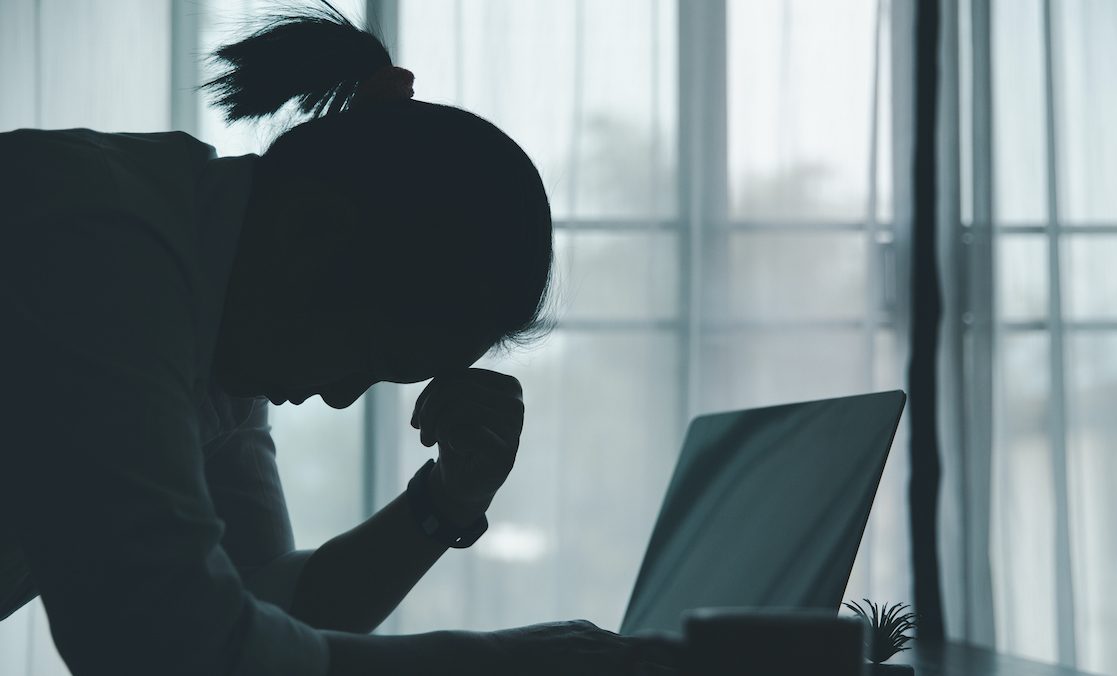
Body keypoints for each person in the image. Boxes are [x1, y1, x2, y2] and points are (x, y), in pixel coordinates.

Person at [0, 3, 679, 674]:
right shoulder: (98, 251)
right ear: (311, 237)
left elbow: (260, 614)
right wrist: (498, 663)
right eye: (378, 356)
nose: (342, 395)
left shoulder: (214, 310)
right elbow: (168, 642)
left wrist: (444, 503)